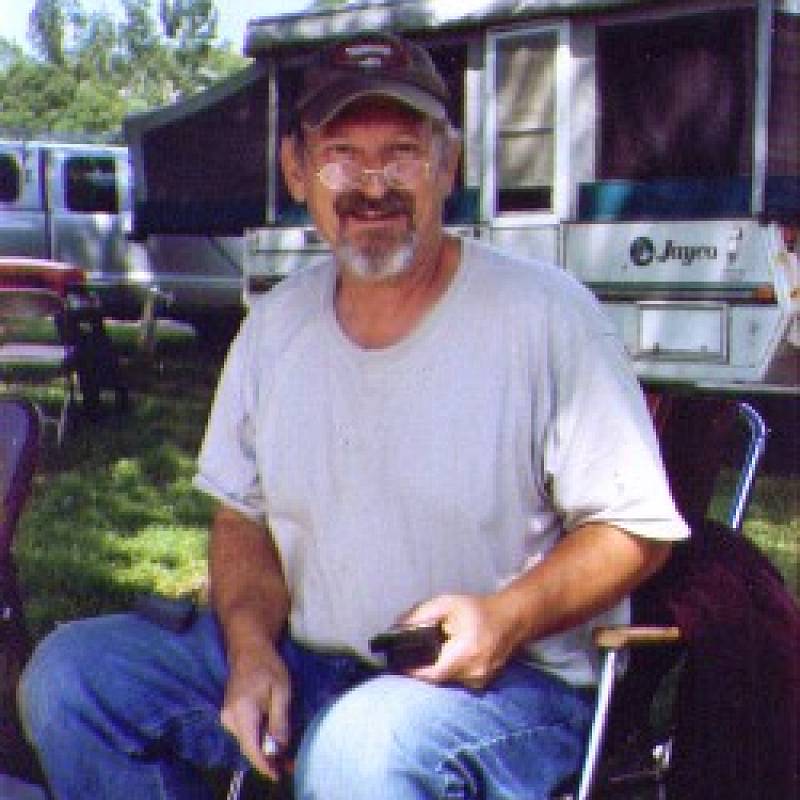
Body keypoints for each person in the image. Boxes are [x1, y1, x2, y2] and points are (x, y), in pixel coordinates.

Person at [18, 32, 690, 800]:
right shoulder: (276, 326)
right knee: (75, 679)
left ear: (448, 165)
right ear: (297, 170)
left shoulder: (546, 317)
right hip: (309, 658)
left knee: (357, 754)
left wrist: (504, 618)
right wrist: (249, 650)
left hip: (503, 683)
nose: (373, 185)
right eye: (341, 153)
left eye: (402, 151)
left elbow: (636, 533)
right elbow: (243, 519)